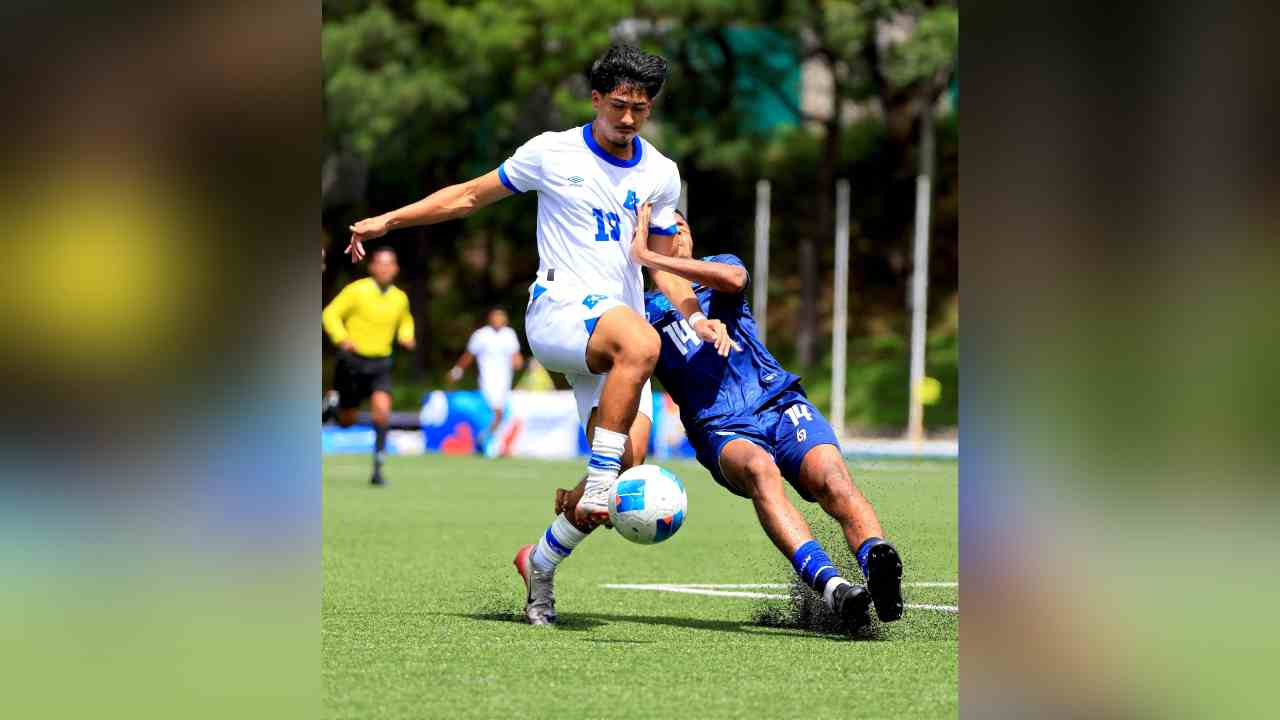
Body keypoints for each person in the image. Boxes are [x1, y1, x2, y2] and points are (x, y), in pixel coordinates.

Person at [343, 44, 736, 624]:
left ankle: (542, 563)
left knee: (631, 462)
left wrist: (694, 314)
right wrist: (389, 220)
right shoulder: (551, 153)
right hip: (560, 311)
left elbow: (667, 261)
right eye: (619, 106)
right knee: (642, 352)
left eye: (641, 109)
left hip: (619, 335)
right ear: (596, 99)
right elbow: (469, 196)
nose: (628, 119)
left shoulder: (661, 173)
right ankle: (598, 481)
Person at [555, 206, 905, 630]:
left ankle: (876, 560)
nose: (675, 235)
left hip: (777, 399)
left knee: (832, 478)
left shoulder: (720, 269)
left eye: (680, 227)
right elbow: (619, 399)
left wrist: (649, 256)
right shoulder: (636, 316)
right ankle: (834, 589)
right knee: (760, 470)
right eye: (663, 231)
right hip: (719, 425)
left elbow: (736, 280)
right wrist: (586, 487)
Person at [322, 247, 416, 487]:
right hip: (352, 362)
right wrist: (341, 337)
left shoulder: (399, 298)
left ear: (395, 268)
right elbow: (330, 313)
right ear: (372, 267)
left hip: (380, 363)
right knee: (347, 420)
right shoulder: (357, 290)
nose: (385, 268)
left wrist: (407, 335)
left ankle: (378, 468)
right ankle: (333, 409)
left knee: (382, 411)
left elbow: (405, 320)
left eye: (390, 264)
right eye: (380, 264)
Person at [445, 307, 524, 455]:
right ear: (490, 318)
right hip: (488, 378)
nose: (498, 320)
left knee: (500, 413)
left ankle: (485, 439)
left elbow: (516, 356)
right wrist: (457, 371)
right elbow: (469, 355)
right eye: (496, 317)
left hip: (504, 379)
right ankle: (490, 444)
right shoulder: (481, 335)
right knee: (496, 412)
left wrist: (518, 362)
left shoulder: (509, 335)